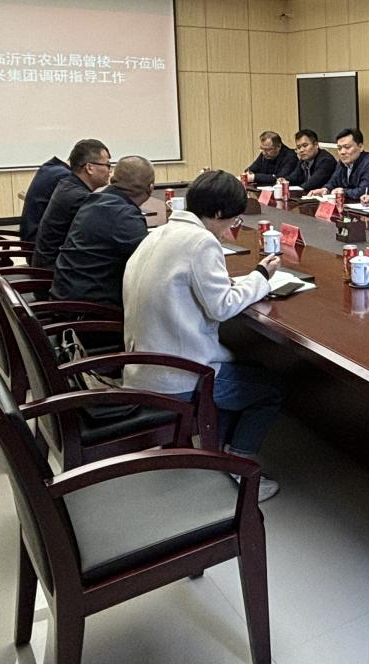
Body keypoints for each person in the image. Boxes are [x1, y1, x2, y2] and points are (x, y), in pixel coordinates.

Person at [122, 169, 284, 502]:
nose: (231, 228)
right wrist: (261, 276)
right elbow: (223, 307)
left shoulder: (160, 233)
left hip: (142, 366)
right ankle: (238, 469)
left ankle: (216, 456)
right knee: (271, 389)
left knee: (240, 371)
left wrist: (241, 283)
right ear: (219, 213)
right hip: (178, 375)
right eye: (233, 220)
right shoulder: (201, 242)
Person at [51, 156, 154, 308]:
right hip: (90, 312)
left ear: (112, 180)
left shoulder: (94, 201)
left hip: (67, 298)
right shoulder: (124, 215)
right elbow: (150, 264)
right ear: (150, 188)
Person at [32, 140, 112, 269]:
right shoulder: (80, 197)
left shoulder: (67, 184)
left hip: (49, 263)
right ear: (89, 168)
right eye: (107, 164)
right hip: (53, 273)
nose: (110, 170)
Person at [307, 127, 369, 198]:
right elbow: (333, 181)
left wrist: (343, 191)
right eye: (339, 148)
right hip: (351, 206)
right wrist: (325, 189)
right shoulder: (342, 162)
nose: (342, 152)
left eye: (347, 147)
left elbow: (364, 192)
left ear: (360, 147)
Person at [19, 149, 77, 243]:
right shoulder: (65, 176)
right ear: (88, 167)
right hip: (38, 242)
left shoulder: (50, 167)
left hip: (29, 232)